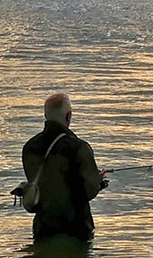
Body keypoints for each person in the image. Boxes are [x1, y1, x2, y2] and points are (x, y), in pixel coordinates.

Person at [22, 93, 106, 241]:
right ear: (68, 116)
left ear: (45, 115)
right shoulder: (79, 147)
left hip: (43, 228)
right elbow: (88, 190)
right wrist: (98, 181)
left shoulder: (30, 147)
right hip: (76, 228)